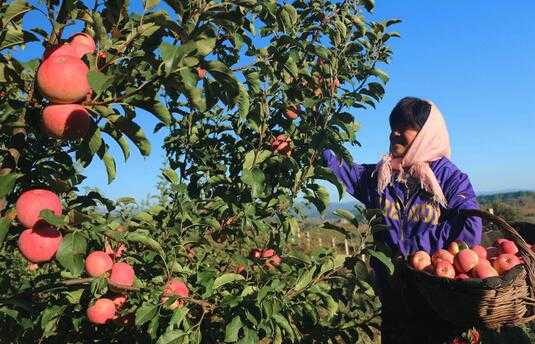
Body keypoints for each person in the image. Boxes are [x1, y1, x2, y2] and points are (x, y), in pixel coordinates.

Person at [323, 97, 483, 343]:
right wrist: (311, 140)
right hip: (395, 302)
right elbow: (338, 167)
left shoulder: (449, 179)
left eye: (403, 127)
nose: (393, 133)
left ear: (425, 134)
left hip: (441, 305)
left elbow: (469, 228)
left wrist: (411, 250)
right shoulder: (381, 176)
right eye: (392, 127)